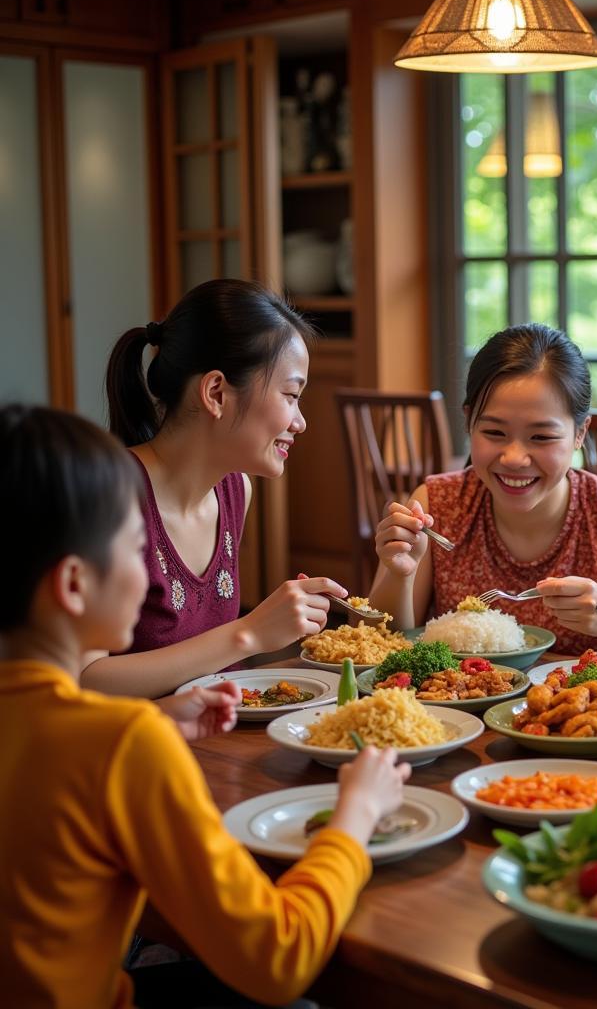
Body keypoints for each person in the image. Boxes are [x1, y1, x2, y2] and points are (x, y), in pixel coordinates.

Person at [0, 404, 411, 1008]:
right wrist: (356, 813)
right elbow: (278, 957)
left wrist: (158, 719)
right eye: (136, 549)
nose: (148, 577)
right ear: (72, 585)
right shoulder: (121, 745)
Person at [83, 279, 346, 699]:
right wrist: (248, 634)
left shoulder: (236, 491)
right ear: (216, 392)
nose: (300, 422)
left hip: (219, 742)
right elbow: (87, 678)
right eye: (291, 395)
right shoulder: (106, 496)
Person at [369, 323, 597, 661]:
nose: (513, 458)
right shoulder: (436, 505)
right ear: (469, 423)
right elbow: (378, 649)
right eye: (494, 432)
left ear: (580, 432)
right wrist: (398, 575)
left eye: (541, 437)